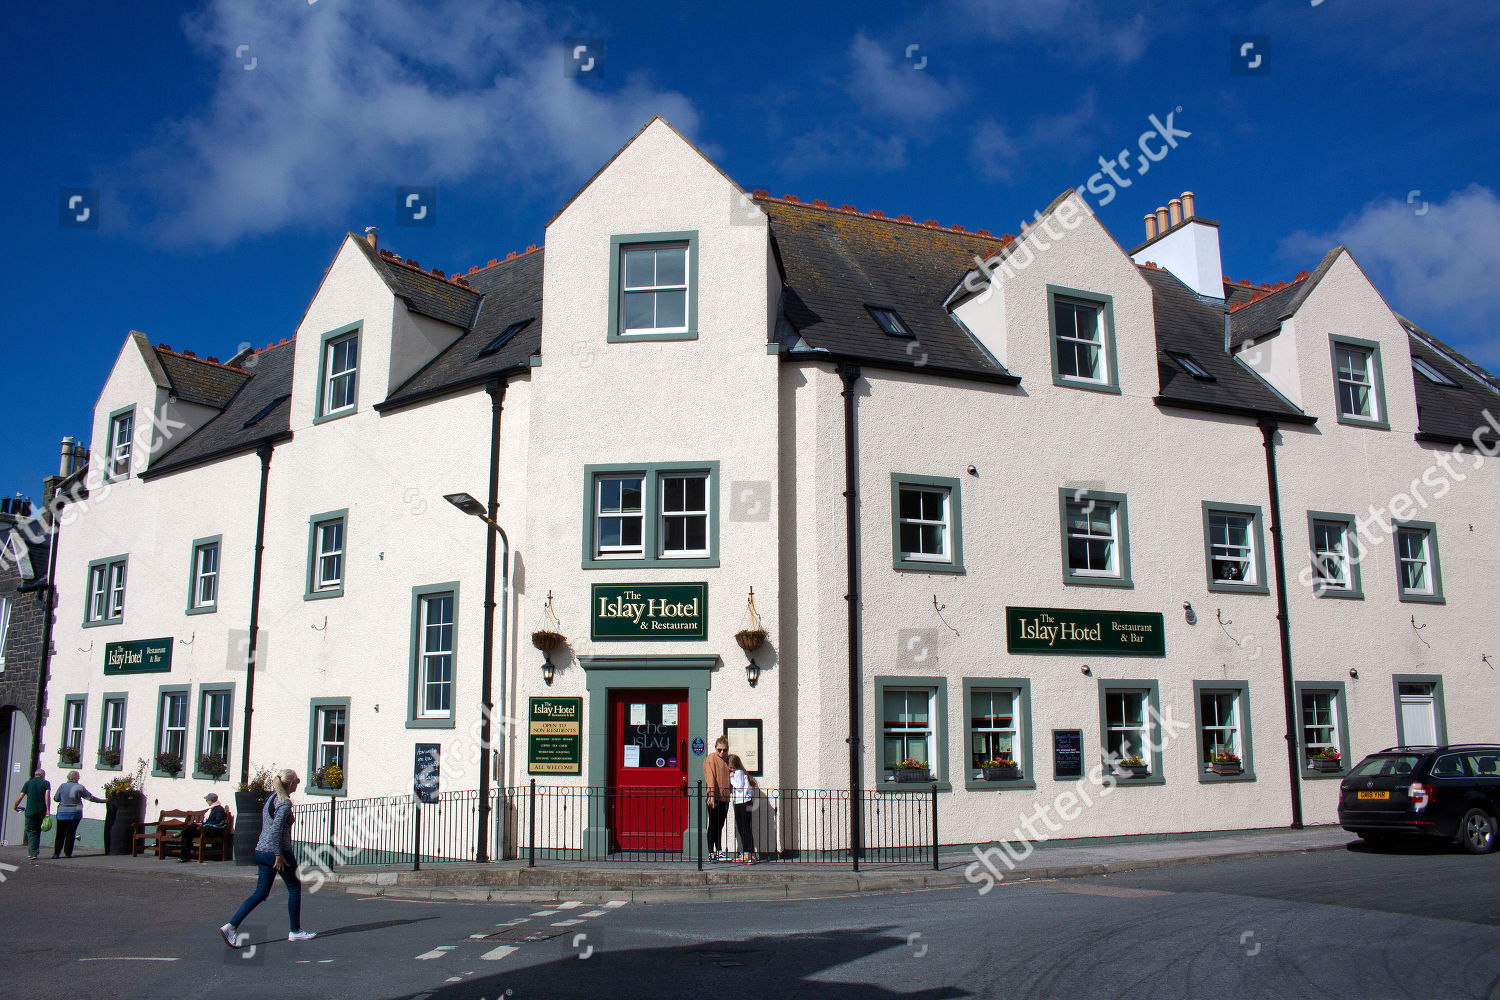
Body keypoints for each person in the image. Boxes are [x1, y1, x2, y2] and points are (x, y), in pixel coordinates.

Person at [220, 769, 314, 946]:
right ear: (290, 784)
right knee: (294, 888)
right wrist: (278, 855)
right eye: (296, 782)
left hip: (261, 851)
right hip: (278, 852)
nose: (297, 786)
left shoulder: (271, 799)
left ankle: (231, 926)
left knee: (260, 893)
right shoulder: (284, 803)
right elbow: (277, 830)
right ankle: (295, 931)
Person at [52, 770, 105, 858]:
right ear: (75, 778)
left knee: (60, 834)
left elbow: (56, 798)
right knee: (71, 833)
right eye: (78, 776)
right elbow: (90, 797)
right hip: (74, 813)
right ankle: (68, 853)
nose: (79, 778)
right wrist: (102, 801)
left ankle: (56, 853)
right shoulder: (79, 787)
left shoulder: (62, 786)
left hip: (62, 813)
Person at [703, 737, 732, 861]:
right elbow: (710, 777)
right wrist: (711, 793)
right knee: (713, 825)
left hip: (724, 797)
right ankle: (711, 851)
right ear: (715, 748)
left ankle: (718, 850)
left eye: (724, 750)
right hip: (714, 797)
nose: (722, 753)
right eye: (719, 750)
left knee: (720, 825)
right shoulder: (711, 759)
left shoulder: (727, 761)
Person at [11, 769, 51, 861]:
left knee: (30, 830)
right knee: (37, 830)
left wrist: (15, 806)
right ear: (42, 775)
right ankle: (34, 852)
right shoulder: (46, 783)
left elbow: (21, 796)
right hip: (41, 810)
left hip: (30, 810)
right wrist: (48, 809)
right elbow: (47, 796)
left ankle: (32, 852)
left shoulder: (28, 783)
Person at [179, 792, 230, 863]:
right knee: (186, 834)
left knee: (190, 829)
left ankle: (181, 835)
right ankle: (185, 856)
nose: (206, 801)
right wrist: (202, 824)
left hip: (211, 831)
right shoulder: (212, 808)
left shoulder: (219, 809)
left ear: (211, 800)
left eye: (207, 800)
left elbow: (218, 821)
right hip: (205, 828)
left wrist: (205, 824)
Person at [727, 753, 759, 864]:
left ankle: (750, 853)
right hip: (739, 802)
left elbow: (739, 787)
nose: (730, 770)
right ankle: (745, 853)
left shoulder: (739, 772)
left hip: (744, 802)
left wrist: (731, 779)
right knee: (741, 828)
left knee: (745, 828)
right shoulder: (737, 772)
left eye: (731, 767)